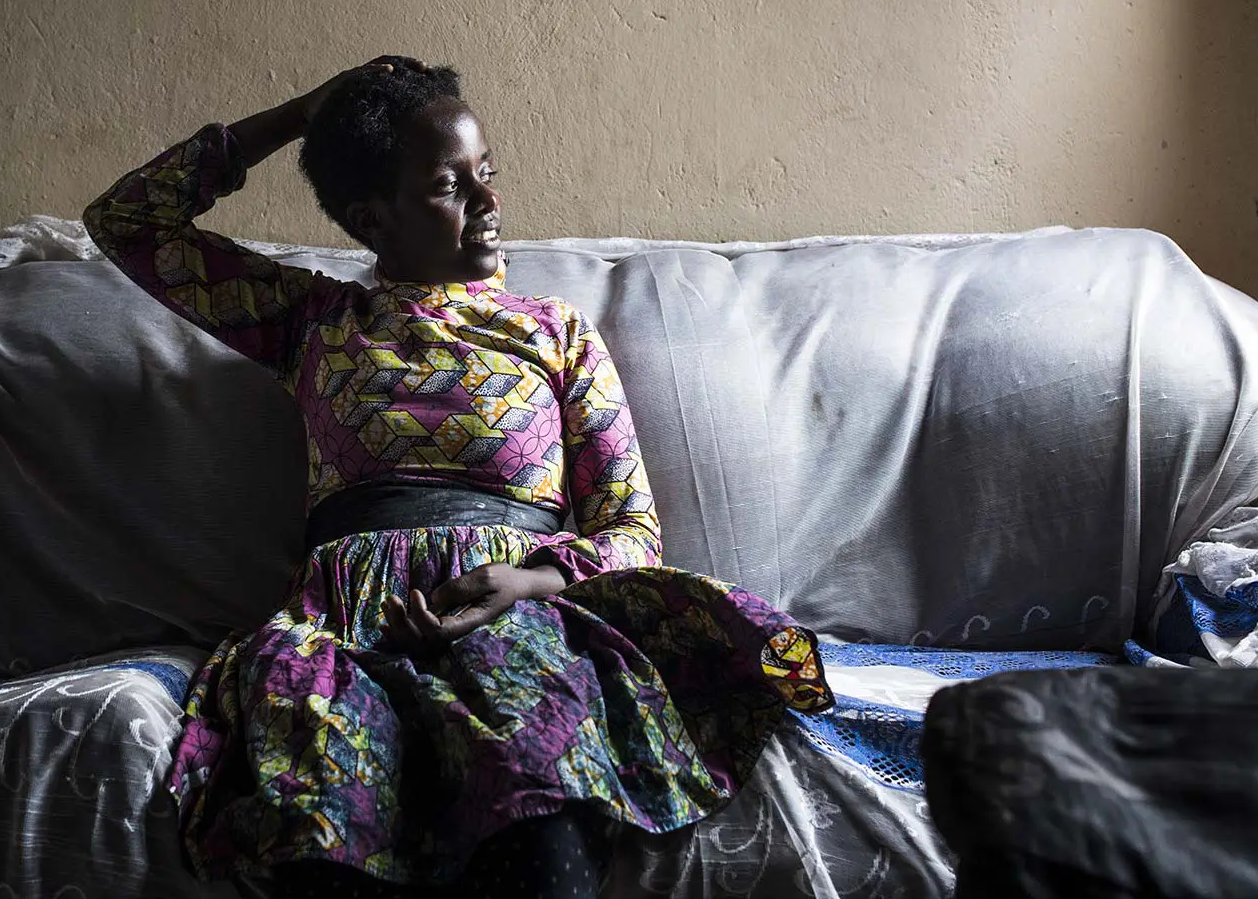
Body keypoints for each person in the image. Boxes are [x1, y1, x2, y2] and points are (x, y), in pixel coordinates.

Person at [84, 57, 831, 899]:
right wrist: (305, 114)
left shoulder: (557, 336)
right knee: (317, 810)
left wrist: (526, 580)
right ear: (375, 218)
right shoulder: (313, 323)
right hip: (347, 629)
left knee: (536, 797)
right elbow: (127, 221)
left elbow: (631, 530)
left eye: (488, 174)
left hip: (519, 613)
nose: (489, 203)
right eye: (451, 186)